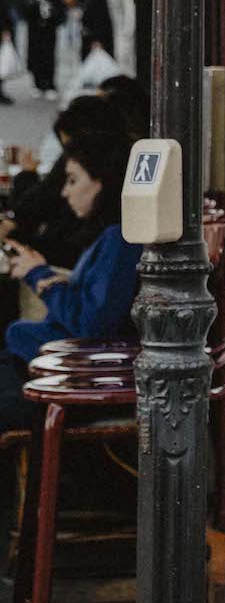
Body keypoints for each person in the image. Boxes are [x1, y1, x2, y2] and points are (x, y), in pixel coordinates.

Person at [0, 134, 142, 429]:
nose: (65, 192)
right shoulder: (111, 237)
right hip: (52, 367)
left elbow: (92, 323)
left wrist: (39, 276)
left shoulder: (121, 242)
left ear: (102, 182)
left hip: (70, 380)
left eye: (73, 181)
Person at [26, 0, 57, 97]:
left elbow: (58, 14)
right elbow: (26, 13)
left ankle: (49, 84)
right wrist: (36, 1)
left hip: (48, 33)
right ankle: (37, 83)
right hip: (35, 34)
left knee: (48, 58)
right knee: (36, 58)